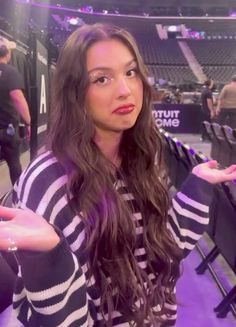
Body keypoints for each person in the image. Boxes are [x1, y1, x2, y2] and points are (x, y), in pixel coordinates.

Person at [0, 24, 236, 327]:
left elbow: (161, 252)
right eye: (102, 78)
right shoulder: (50, 180)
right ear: (75, 93)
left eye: (131, 72)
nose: (125, 90)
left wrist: (197, 188)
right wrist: (50, 261)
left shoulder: (145, 159)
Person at [0, 37, 31, 185]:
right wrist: (28, 122)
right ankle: (17, 199)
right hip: (7, 130)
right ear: (7, 53)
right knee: (14, 165)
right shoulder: (10, 72)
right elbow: (18, 98)